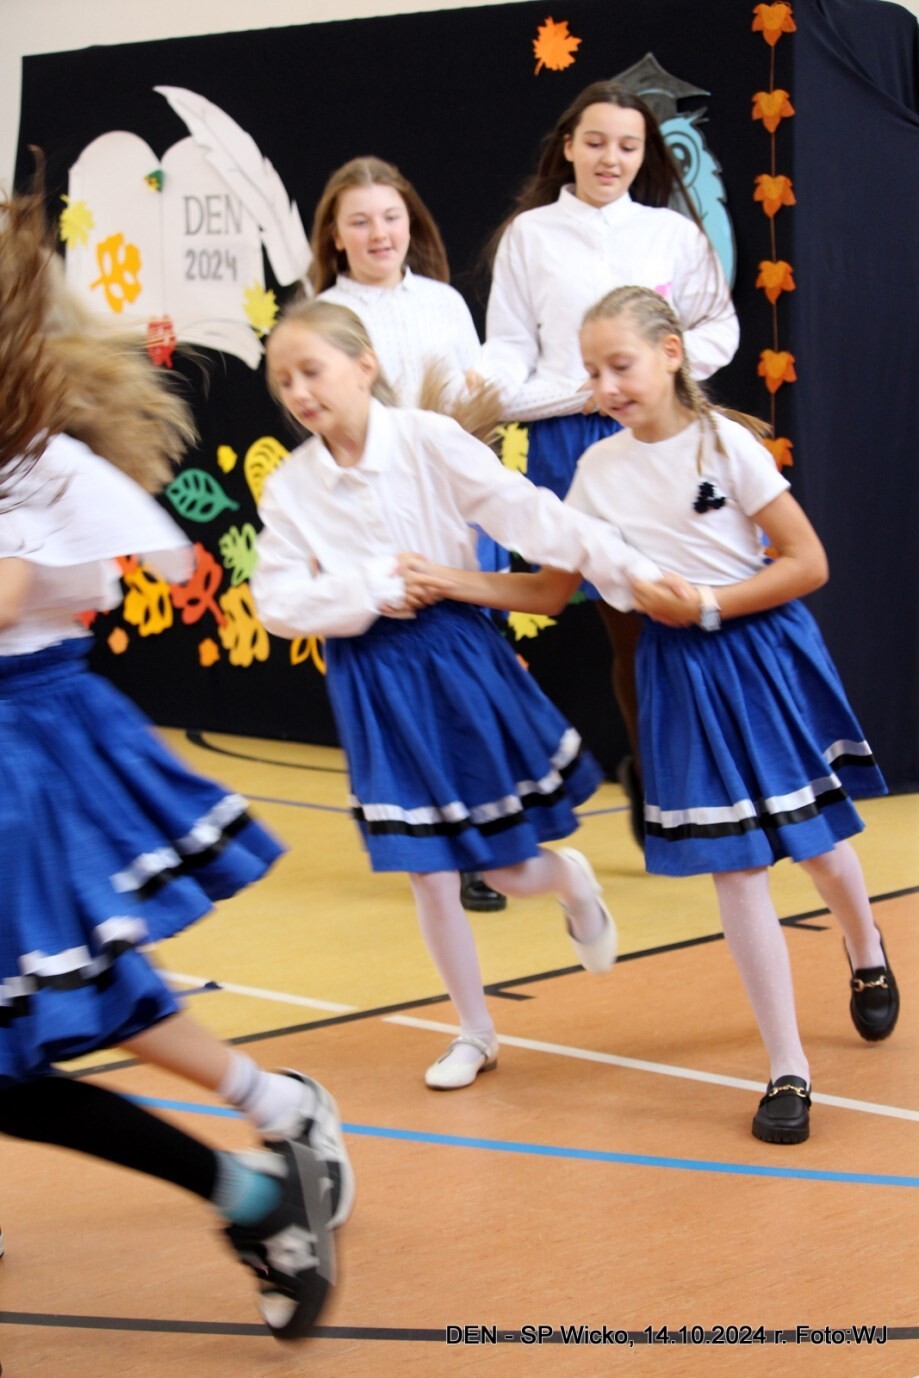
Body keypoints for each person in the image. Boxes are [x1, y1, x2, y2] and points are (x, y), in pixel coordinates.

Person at [401, 285, 897, 1143]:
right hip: (677, 677)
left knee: (816, 848)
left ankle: (866, 948)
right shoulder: (596, 471)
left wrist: (706, 603)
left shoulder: (725, 444)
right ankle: (786, 1068)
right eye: (591, 372)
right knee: (736, 869)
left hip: (757, 654)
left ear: (671, 354)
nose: (604, 387)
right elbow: (549, 591)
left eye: (619, 366)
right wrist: (450, 581)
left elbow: (806, 561)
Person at [0, 189, 351, 1340]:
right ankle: (268, 1132)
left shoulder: (33, 464)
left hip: (26, 749)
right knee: (53, 999)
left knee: (64, 993)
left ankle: (261, 1158)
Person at [250, 298, 667, 1091]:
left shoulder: (426, 440)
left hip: (453, 660)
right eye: (283, 381)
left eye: (312, 371)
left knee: (504, 868)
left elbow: (529, 515)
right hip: (372, 680)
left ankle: (569, 881)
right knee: (427, 869)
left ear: (364, 366)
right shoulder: (293, 487)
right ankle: (474, 1030)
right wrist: (369, 590)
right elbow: (276, 602)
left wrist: (629, 570)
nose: (299, 392)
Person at [478, 81, 739, 847]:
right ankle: (654, 781)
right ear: (567, 146)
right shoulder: (530, 235)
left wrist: (652, 378)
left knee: (671, 612)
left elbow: (716, 328)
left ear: (643, 154)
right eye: (594, 142)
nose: (609, 158)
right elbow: (508, 349)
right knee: (622, 623)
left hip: (660, 440)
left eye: (626, 145)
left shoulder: (671, 234)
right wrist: (480, 401)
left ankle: (677, 780)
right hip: (569, 444)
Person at [309, 154, 504, 913]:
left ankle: (485, 840)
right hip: (373, 522)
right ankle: (438, 841)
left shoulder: (445, 304)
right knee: (408, 683)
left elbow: (473, 404)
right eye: (359, 220)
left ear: (410, 223)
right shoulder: (322, 315)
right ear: (335, 234)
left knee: (472, 680)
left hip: (453, 515)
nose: (378, 233)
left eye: (390, 217)